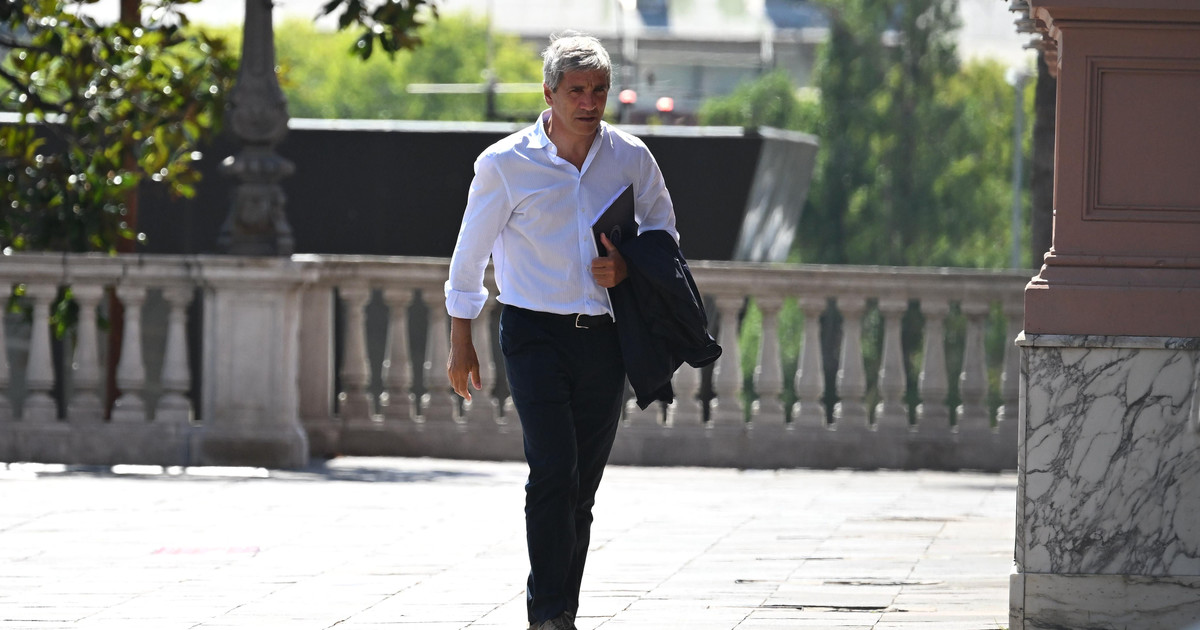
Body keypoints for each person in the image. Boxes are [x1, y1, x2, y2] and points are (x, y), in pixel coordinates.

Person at [444, 33, 679, 630]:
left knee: (582, 485)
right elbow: (468, 259)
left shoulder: (631, 157)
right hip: (533, 335)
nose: (590, 102)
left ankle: (561, 609)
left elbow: (665, 234)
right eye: (577, 90)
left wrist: (628, 267)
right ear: (549, 93)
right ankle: (548, 612)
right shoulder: (504, 164)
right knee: (553, 469)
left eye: (599, 90)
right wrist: (460, 341)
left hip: (604, 338)